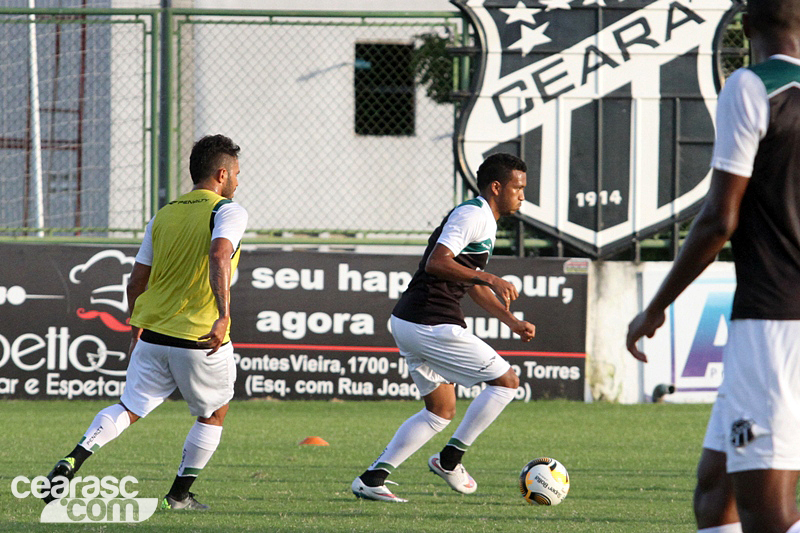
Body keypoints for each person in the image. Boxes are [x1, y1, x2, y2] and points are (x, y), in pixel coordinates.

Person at [626, 1, 800, 531]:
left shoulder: (751, 86)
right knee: (714, 492)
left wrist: (655, 308)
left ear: (744, 26)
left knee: (763, 510)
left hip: (774, 318)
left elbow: (718, 220)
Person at [41, 134, 248, 511]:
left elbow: (136, 280)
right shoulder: (228, 211)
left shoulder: (164, 214)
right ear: (221, 174)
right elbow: (219, 256)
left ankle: (74, 458)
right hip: (200, 337)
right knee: (214, 412)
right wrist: (223, 316)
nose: (238, 180)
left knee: (128, 407)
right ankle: (179, 495)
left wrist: (136, 325)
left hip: (153, 333)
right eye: (236, 173)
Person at [351, 152, 536, 502]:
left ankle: (372, 478)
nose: (522, 195)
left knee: (440, 410)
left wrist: (510, 320)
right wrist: (490, 276)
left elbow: (471, 284)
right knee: (506, 383)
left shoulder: (484, 219)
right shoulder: (472, 214)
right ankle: (450, 460)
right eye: (518, 188)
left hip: (409, 321)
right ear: (497, 188)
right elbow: (439, 262)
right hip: (430, 321)